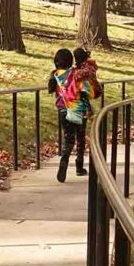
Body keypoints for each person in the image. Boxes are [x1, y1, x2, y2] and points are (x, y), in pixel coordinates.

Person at [48, 48, 85, 182]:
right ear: (71, 61)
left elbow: (50, 89)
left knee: (68, 139)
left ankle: (64, 159)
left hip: (63, 110)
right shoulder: (76, 74)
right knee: (80, 138)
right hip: (77, 109)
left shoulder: (55, 75)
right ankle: (79, 166)